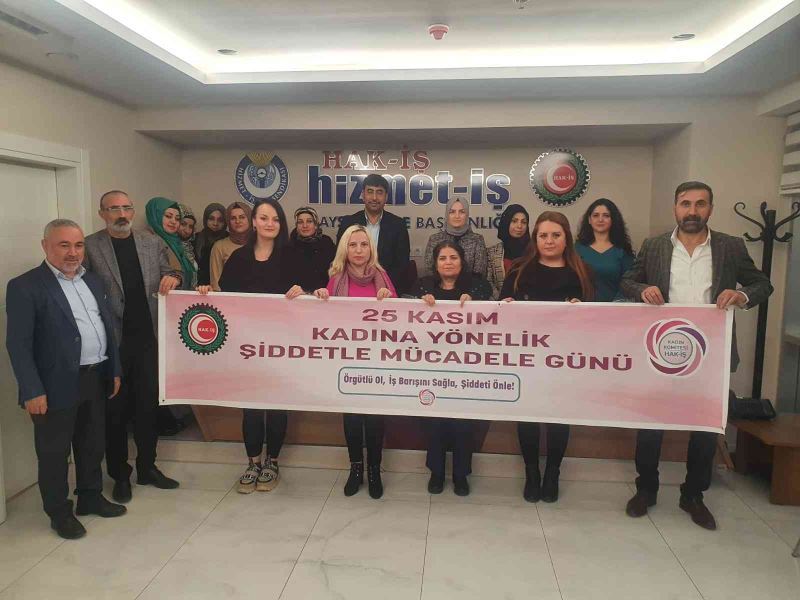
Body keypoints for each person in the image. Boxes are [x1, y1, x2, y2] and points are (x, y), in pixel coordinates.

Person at [620, 181, 773, 530]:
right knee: (651, 424)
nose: (692, 211)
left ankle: (693, 494)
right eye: (685, 204)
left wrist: (741, 296)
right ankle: (646, 489)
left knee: (704, 428)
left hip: (710, 354)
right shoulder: (655, 245)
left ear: (710, 209)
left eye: (700, 204)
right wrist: (643, 290)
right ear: (675, 208)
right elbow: (627, 281)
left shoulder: (731, 247)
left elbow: (763, 284)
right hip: (660, 351)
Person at [6, 220, 126, 539]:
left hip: (95, 377)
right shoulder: (25, 286)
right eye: (64, 245)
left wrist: (113, 369)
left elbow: (106, 328)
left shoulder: (93, 281)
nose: (73, 253)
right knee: (54, 453)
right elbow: (18, 344)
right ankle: (59, 512)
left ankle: (90, 496)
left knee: (91, 444)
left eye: (78, 245)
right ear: (45, 246)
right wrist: (31, 389)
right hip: (52, 385)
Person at [199, 198, 304, 494]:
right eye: (264, 218)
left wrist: (304, 292)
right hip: (246, 346)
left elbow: (312, 295)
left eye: (275, 219)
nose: (270, 223)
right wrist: (206, 293)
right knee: (251, 407)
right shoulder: (238, 258)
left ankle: (272, 462)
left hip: (282, 345)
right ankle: (253, 463)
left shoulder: (292, 256)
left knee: (277, 406)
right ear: (254, 221)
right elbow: (224, 300)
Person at [84, 190, 181, 503]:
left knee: (147, 409)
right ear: (102, 213)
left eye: (126, 207)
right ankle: (120, 475)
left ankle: (147, 467)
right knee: (115, 413)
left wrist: (174, 279)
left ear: (133, 210)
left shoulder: (151, 242)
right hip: (111, 345)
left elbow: (173, 271)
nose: (121, 214)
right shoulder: (90, 246)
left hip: (147, 340)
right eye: (114, 209)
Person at [500, 211, 594, 503]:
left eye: (556, 235)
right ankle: (531, 473)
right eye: (543, 235)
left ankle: (553, 472)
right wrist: (505, 306)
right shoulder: (519, 270)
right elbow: (500, 309)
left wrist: (581, 309)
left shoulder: (581, 272)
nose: (549, 241)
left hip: (563, 360)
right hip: (525, 359)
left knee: (558, 417)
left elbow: (596, 318)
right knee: (528, 417)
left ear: (566, 238)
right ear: (535, 238)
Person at [314, 224, 397, 498]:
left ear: (371, 248)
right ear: (345, 249)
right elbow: (325, 319)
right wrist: (321, 298)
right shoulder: (336, 278)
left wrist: (388, 301)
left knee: (374, 418)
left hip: (377, 361)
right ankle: (356, 468)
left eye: (363, 244)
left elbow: (400, 320)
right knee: (351, 417)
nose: (359, 250)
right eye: (353, 245)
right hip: (346, 361)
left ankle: (374, 470)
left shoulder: (382, 276)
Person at [411, 241, 492, 496]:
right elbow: (406, 314)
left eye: (453, 257)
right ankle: (436, 472)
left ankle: (460, 474)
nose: (448, 262)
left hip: (466, 368)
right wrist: (418, 303)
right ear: (435, 263)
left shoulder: (478, 285)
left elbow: (493, 313)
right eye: (443, 258)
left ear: (462, 261)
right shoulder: (423, 286)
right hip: (431, 367)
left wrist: (476, 302)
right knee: (434, 422)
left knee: (463, 423)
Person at [336, 173, 410, 294]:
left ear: (386, 197)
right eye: (370, 192)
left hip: (386, 290)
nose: (374, 197)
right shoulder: (348, 223)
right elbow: (341, 258)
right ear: (363, 195)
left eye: (379, 192)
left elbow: (402, 264)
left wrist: (384, 285)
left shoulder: (398, 225)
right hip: (352, 288)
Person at [575, 198, 635, 302]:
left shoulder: (623, 250)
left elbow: (629, 283)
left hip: (615, 308)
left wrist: (615, 305)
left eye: (606, 215)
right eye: (595, 215)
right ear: (589, 220)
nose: (600, 220)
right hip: (582, 307)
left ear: (613, 220)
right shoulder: (577, 248)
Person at [422, 197, 488, 279]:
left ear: (467, 214)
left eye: (462, 212)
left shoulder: (477, 240)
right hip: (439, 286)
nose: (457, 216)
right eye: (452, 212)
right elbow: (429, 272)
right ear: (447, 214)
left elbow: (479, 274)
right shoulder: (434, 239)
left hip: (470, 286)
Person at [145, 197, 197, 290]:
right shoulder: (148, 242)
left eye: (177, 219)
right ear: (156, 215)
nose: (173, 222)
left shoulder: (176, 243)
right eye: (168, 216)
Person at [287, 206, 336, 292]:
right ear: (296, 226)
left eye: (309, 221)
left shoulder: (326, 243)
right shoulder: (290, 246)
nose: (305, 225)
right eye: (300, 222)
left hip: (323, 295)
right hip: (298, 297)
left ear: (316, 225)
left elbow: (335, 272)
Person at [486, 204, 530, 298]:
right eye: (514, 221)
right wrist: (501, 300)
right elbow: (488, 282)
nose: (519, 226)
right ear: (506, 223)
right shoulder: (492, 252)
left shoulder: (534, 251)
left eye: (524, 222)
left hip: (528, 304)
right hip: (499, 303)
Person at [209, 201, 252, 291]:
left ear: (250, 218)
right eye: (233, 218)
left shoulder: (259, 244)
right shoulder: (219, 247)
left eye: (242, 217)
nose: (238, 221)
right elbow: (216, 284)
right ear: (228, 222)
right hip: (229, 298)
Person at [194, 203, 228, 286]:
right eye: (211, 219)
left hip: (224, 288)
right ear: (205, 219)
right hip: (200, 289)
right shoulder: (195, 239)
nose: (215, 223)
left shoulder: (229, 239)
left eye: (220, 220)